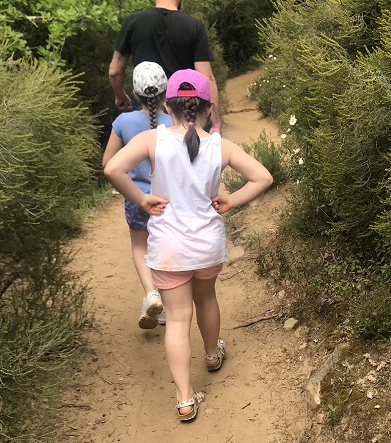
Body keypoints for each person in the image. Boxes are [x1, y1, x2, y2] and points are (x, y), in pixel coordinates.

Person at [104, 69, 273, 422]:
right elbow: (263, 177)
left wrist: (142, 198)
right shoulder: (220, 145)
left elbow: (113, 169)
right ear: (208, 109)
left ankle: (184, 399)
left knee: (178, 318)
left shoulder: (153, 139)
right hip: (207, 245)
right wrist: (231, 201)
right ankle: (212, 355)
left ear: (169, 106)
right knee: (207, 297)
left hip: (169, 249)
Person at [102, 61, 172, 330]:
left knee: (140, 248)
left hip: (136, 199)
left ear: (133, 91)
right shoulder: (174, 124)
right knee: (165, 248)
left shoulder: (123, 122)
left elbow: (108, 162)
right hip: (168, 201)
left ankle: (151, 293)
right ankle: (166, 298)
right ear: (166, 93)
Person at [109, 0, 221, 132]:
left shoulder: (132, 22)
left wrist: (121, 96)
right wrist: (216, 123)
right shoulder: (194, 26)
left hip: (145, 114)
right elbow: (207, 78)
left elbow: (114, 71)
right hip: (182, 117)